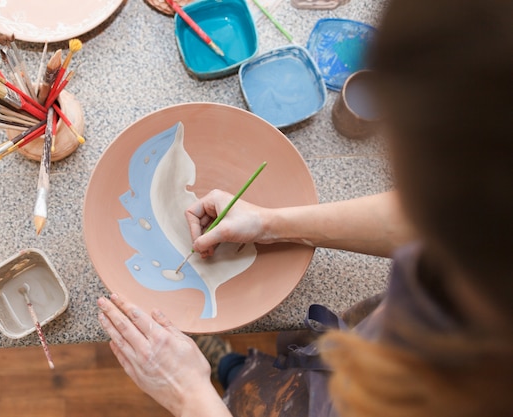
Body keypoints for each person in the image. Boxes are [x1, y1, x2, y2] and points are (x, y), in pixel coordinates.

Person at [97, 0, 513, 415]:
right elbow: (440, 216)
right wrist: (267, 223)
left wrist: (189, 396)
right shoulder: (480, 214)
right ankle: (235, 367)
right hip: (358, 357)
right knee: (261, 376)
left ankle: (226, 376)